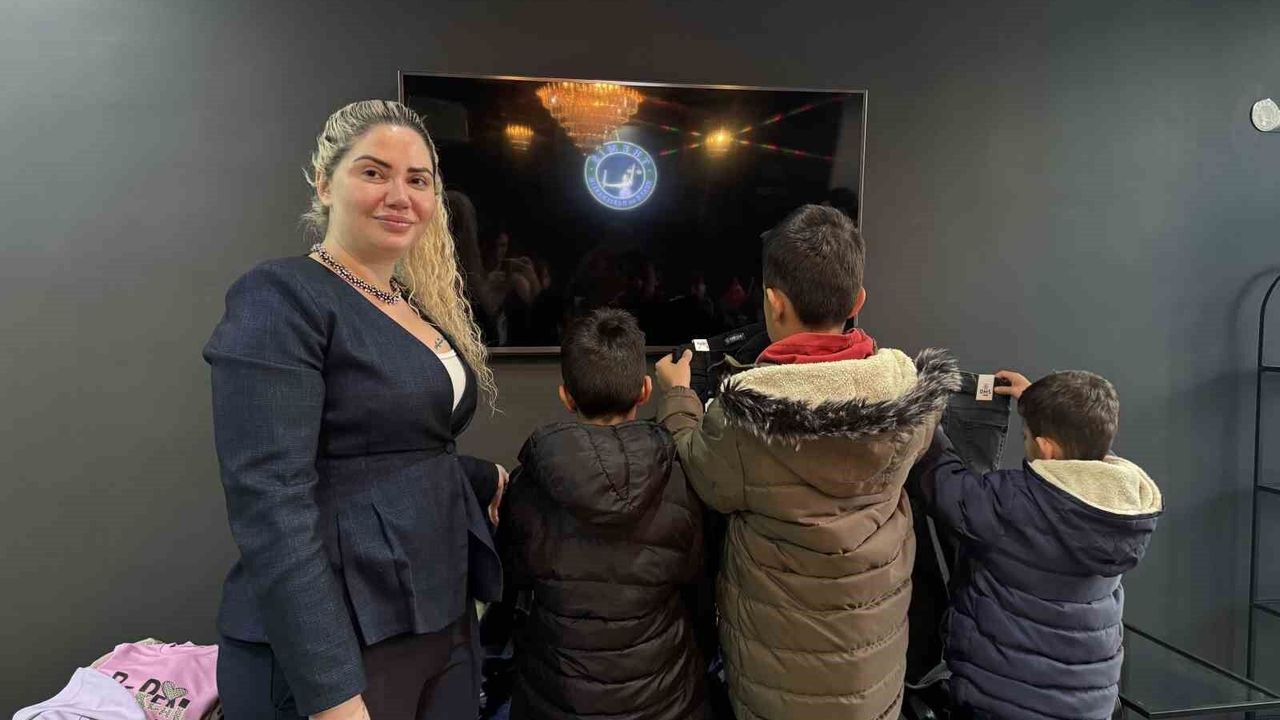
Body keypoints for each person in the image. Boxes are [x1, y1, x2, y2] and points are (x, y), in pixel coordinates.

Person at [205, 100, 507, 720]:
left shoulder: (409, 304)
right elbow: (272, 502)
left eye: (417, 179)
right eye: (374, 172)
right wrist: (332, 695)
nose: (400, 196)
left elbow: (397, 446)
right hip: (337, 638)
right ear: (324, 183)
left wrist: (483, 477)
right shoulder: (282, 296)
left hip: (437, 612)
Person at [654, 204, 957, 720]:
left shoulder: (740, 419)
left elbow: (700, 473)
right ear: (858, 302)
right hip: (873, 665)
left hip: (777, 675)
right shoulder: (911, 397)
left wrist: (678, 397)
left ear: (773, 303)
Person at [913, 370, 1163, 720]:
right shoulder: (1117, 507)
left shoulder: (1015, 503)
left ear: (1046, 447)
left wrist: (923, 419)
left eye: (1027, 435)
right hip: (1091, 706)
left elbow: (944, 484)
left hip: (1005, 703)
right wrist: (1040, 405)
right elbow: (1085, 446)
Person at [500, 309, 709, 720]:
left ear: (566, 396)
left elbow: (512, 585)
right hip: (666, 703)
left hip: (556, 703)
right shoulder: (682, 479)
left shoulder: (528, 485)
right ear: (645, 390)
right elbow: (700, 587)